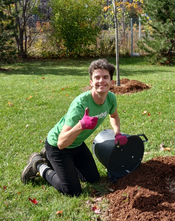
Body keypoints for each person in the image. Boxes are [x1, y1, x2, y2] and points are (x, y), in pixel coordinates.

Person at [21, 59, 127, 196]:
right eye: (97, 77)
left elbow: (114, 116)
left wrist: (117, 133)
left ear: (111, 82)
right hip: (58, 147)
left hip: (77, 145)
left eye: (105, 77)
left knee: (93, 179)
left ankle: (50, 159)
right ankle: (39, 165)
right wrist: (81, 125)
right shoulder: (80, 105)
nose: (102, 81)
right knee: (72, 190)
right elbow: (61, 143)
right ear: (91, 82)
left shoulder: (111, 98)